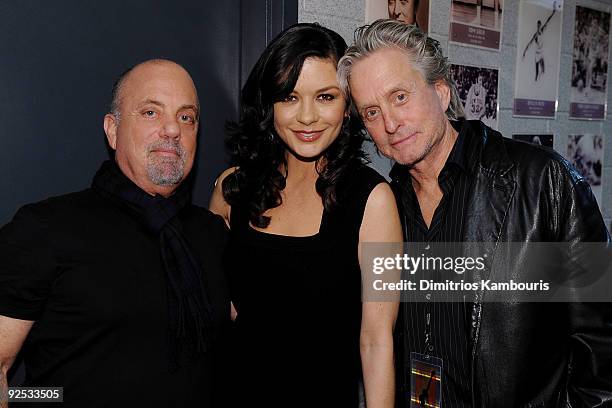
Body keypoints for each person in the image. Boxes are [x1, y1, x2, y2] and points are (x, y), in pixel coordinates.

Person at [338, 19, 612, 407]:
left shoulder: (541, 181)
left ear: (441, 91)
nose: (390, 123)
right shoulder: (382, 205)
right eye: (371, 112)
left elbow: (600, 342)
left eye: (400, 97)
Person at [0, 59, 229, 407]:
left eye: (186, 117)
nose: (172, 129)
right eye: (151, 112)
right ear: (112, 129)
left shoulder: (212, 234)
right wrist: (49, 398)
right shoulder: (44, 229)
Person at [209, 23, 401, 407]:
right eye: (290, 97)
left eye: (326, 96)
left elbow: (376, 340)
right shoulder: (232, 189)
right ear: (269, 104)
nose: (307, 117)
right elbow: (215, 308)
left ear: (348, 107)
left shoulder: (373, 200)